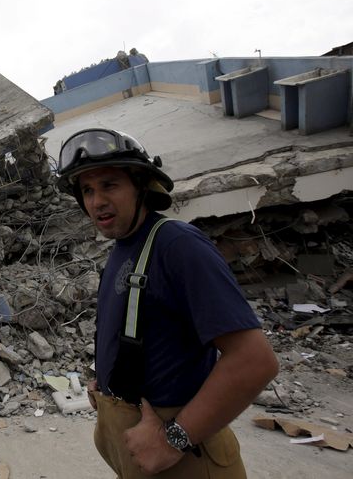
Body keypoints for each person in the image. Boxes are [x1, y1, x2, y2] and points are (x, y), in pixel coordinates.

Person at [56, 128, 279, 478]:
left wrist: (173, 439)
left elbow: (254, 360)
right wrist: (110, 384)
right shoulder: (124, 248)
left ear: (141, 186)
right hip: (135, 445)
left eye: (110, 185)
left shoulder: (178, 245)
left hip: (184, 456)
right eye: (87, 189)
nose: (96, 201)